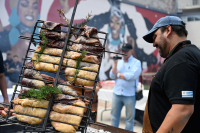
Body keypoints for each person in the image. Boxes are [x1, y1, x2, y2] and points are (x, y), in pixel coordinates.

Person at [142, 16, 200, 133]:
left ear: (168, 31)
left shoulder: (183, 59)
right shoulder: (186, 55)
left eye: (155, 37)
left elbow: (183, 110)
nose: (153, 44)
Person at [109, 43, 142, 131]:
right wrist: (115, 63)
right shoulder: (118, 61)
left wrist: (118, 74)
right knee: (114, 117)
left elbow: (132, 76)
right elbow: (112, 76)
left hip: (130, 95)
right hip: (117, 93)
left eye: (126, 51)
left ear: (131, 51)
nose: (124, 52)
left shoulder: (136, 62)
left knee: (129, 120)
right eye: (122, 50)